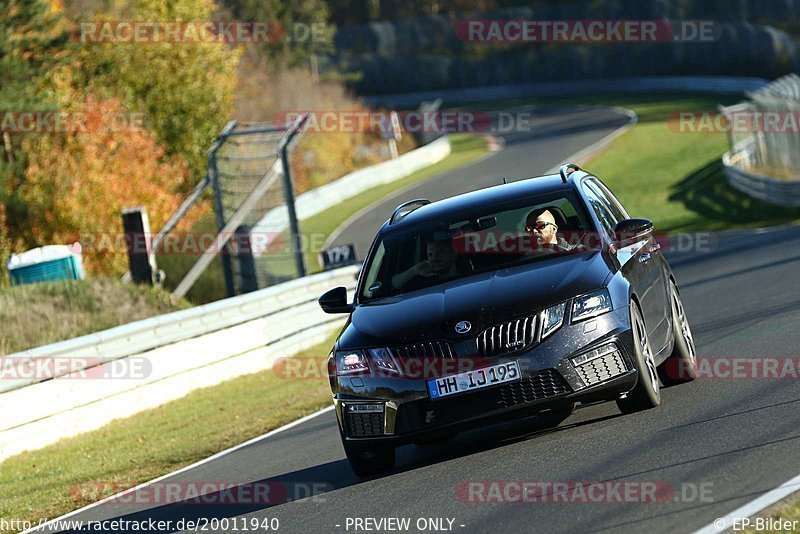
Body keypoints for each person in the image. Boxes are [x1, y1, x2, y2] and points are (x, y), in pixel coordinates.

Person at [392, 237, 465, 290]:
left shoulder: (468, 278)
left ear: (454, 253)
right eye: (430, 254)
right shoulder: (422, 286)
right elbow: (389, 287)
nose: (434, 258)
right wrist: (415, 270)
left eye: (440, 252)